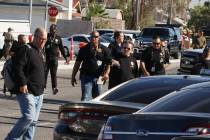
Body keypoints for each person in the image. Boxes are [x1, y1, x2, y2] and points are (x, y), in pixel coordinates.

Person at [5, 27, 47, 140]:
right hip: (27, 91)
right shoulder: (26, 49)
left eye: (45, 39)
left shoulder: (41, 52)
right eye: (41, 39)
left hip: (39, 92)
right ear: (35, 37)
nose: (43, 41)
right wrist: (23, 83)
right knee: (28, 117)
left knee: (33, 122)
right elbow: (17, 68)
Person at [71, 31, 111, 101]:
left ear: (99, 38)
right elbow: (77, 64)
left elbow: (108, 64)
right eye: (92, 37)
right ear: (90, 38)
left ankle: (95, 112)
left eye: (96, 37)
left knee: (98, 98)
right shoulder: (84, 49)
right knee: (85, 97)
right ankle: (84, 111)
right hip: (86, 76)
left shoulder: (105, 50)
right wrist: (73, 76)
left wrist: (106, 74)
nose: (94, 38)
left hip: (99, 78)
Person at [45, 24, 68, 95]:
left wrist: (66, 57)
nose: (52, 31)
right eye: (51, 29)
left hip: (54, 58)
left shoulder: (58, 38)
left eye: (54, 29)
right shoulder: (46, 36)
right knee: (44, 73)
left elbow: (61, 48)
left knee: (53, 74)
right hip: (46, 58)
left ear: (56, 30)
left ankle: (54, 88)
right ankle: (42, 87)